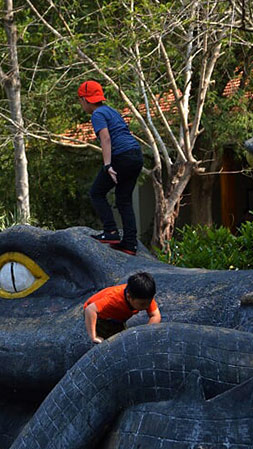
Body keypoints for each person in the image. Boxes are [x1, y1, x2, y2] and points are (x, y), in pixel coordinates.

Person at [78, 80, 144, 255]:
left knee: (96, 192)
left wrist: (108, 165)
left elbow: (106, 139)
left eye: (80, 100)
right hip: (136, 155)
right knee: (124, 200)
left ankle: (110, 231)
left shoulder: (97, 114)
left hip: (121, 156)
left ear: (84, 99)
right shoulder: (111, 111)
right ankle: (130, 244)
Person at [83, 272, 161, 344]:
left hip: (118, 316)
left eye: (149, 302)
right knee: (115, 342)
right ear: (129, 297)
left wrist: (145, 333)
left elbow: (155, 315)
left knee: (126, 337)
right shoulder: (113, 299)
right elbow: (90, 310)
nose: (147, 306)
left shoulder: (145, 296)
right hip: (100, 317)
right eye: (142, 304)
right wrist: (94, 337)